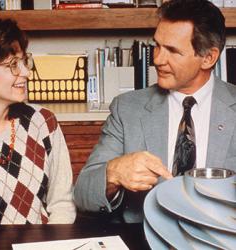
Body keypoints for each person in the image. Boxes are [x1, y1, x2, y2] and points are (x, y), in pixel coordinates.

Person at [74, 0, 236, 223]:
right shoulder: (127, 109)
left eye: (172, 50)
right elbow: (83, 195)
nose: (157, 59)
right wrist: (114, 174)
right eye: (157, 45)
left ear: (208, 58)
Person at [0, 18, 76, 224]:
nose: (26, 73)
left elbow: (62, 205)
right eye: (13, 65)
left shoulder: (43, 122)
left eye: (24, 61)